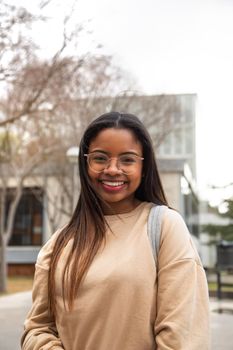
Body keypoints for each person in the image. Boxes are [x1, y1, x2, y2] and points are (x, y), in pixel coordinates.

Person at [21, 112, 210, 350]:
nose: (112, 169)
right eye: (100, 158)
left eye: (127, 160)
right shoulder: (59, 242)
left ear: (144, 166)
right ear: (85, 163)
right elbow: (37, 328)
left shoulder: (164, 226)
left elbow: (182, 334)